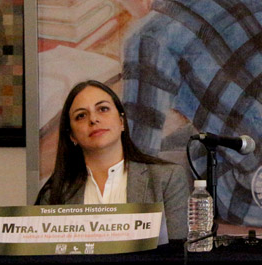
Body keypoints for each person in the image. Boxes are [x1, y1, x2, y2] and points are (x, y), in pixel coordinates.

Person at [95, 0, 262, 226]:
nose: (120, 10)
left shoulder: (149, 36)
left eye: (117, 1)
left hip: (256, 192)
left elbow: (138, 153)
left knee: (188, 157)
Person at [36, 80, 189, 239]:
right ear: (72, 135)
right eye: (81, 115)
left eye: (103, 109)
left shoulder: (167, 178)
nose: (93, 119)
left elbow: (176, 255)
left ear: (122, 122)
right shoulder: (54, 193)